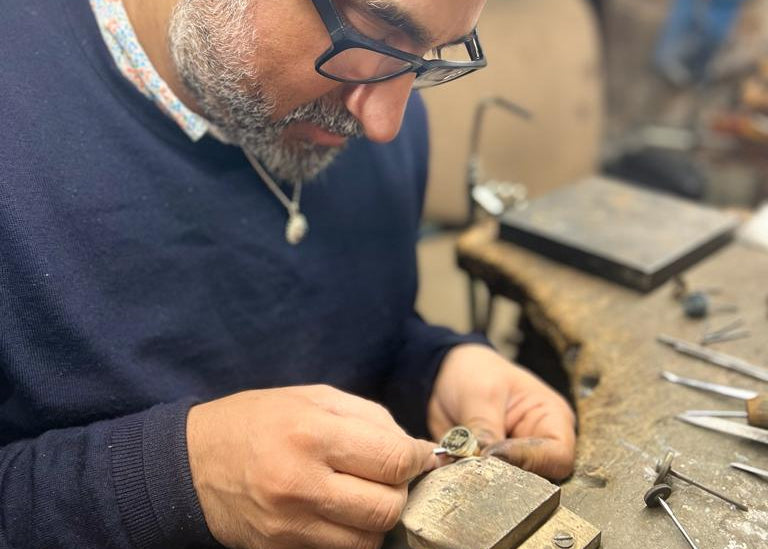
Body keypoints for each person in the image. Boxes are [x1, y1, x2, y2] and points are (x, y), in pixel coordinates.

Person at [0, 1, 576, 548]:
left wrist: (434, 368)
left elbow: (361, 327)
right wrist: (180, 480)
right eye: (373, 33)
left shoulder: (365, 110)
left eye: (430, 55)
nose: (384, 124)